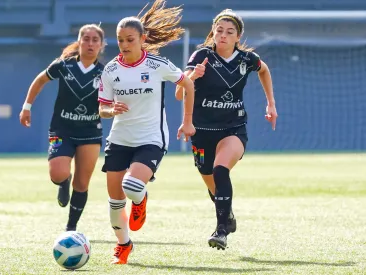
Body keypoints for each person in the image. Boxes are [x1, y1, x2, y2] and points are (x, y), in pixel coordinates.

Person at [98, 0, 196, 264]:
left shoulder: (157, 65)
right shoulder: (110, 70)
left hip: (151, 139)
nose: (125, 44)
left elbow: (187, 84)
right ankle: (123, 244)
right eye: (120, 40)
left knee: (131, 186)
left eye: (130, 39)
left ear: (142, 39)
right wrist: (110, 110)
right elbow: (102, 109)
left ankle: (141, 201)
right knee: (115, 202)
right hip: (119, 139)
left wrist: (187, 121)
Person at [176, 9, 278, 250]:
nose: (222, 35)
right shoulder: (201, 56)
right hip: (201, 131)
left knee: (221, 171)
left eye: (229, 32)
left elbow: (263, 69)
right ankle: (228, 216)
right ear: (213, 32)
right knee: (213, 187)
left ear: (237, 37)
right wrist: (193, 76)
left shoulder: (246, 60)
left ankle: (220, 231)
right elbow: (179, 92)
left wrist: (271, 103)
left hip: (233, 128)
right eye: (219, 30)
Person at [19, 24, 106, 232]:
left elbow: (110, 102)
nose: (90, 43)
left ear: (102, 45)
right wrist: (26, 107)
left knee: (82, 184)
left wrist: (113, 109)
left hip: (90, 133)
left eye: (95, 40)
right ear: (79, 42)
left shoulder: (106, 73)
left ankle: (71, 228)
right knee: (58, 174)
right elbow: (40, 80)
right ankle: (63, 182)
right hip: (62, 130)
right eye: (86, 38)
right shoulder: (63, 66)